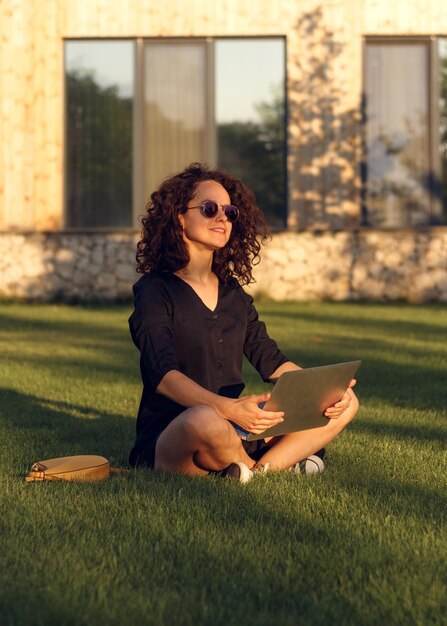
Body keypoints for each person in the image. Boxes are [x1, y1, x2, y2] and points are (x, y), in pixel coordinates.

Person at [128, 163, 359, 482]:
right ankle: (279, 463)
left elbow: (271, 360)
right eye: (209, 209)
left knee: (347, 403)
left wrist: (327, 388)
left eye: (230, 211)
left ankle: (251, 472)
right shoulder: (154, 290)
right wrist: (227, 408)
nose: (222, 218)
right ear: (180, 217)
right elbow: (162, 374)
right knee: (205, 420)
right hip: (178, 430)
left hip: (234, 429)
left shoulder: (233, 294)